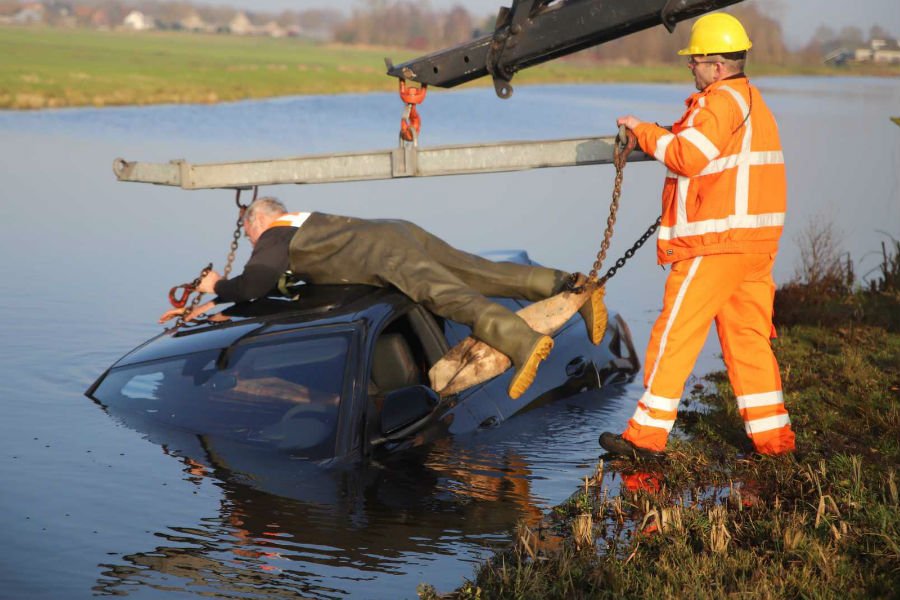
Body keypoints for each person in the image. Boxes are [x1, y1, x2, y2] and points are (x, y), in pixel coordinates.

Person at [159, 197, 606, 400]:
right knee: (479, 270)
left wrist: (215, 286)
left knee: (448, 297)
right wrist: (210, 309)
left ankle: (521, 342)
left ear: (259, 223)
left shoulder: (274, 235)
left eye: (250, 234)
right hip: (398, 231)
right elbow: (284, 288)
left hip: (386, 253)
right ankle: (572, 285)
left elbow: (255, 284)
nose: (253, 243)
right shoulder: (302, 224)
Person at [599, 13, 795, 458]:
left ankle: (644, 439)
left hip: (715, 245)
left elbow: (688, 156)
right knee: (748, 340)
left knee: (675, 334)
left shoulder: (718, 102)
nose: (691, 66)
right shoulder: (751, 102)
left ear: (718, 66)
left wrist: (643, 131)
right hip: (752, 246)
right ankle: (775, 443)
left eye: (697, 59)